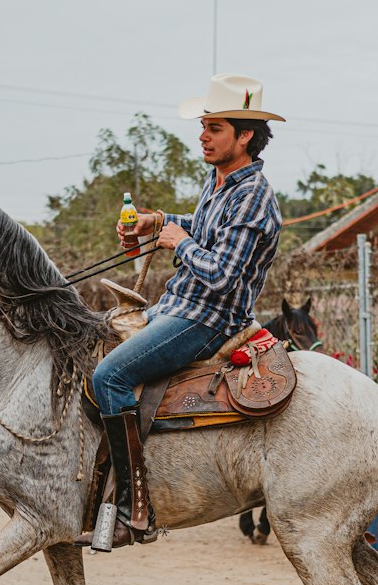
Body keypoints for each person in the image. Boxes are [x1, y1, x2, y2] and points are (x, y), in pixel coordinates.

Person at [84, 73, 284, 550]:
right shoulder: (219, 184)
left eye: (214, 128)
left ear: (245, 136)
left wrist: (182, 242)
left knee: (108, 377)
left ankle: (135, 507)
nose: (202, 135)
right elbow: (205, 227)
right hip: (177, 306)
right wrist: (159, 221)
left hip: (208, 320)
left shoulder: (255, 196)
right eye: (203, 126)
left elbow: (222, 276)